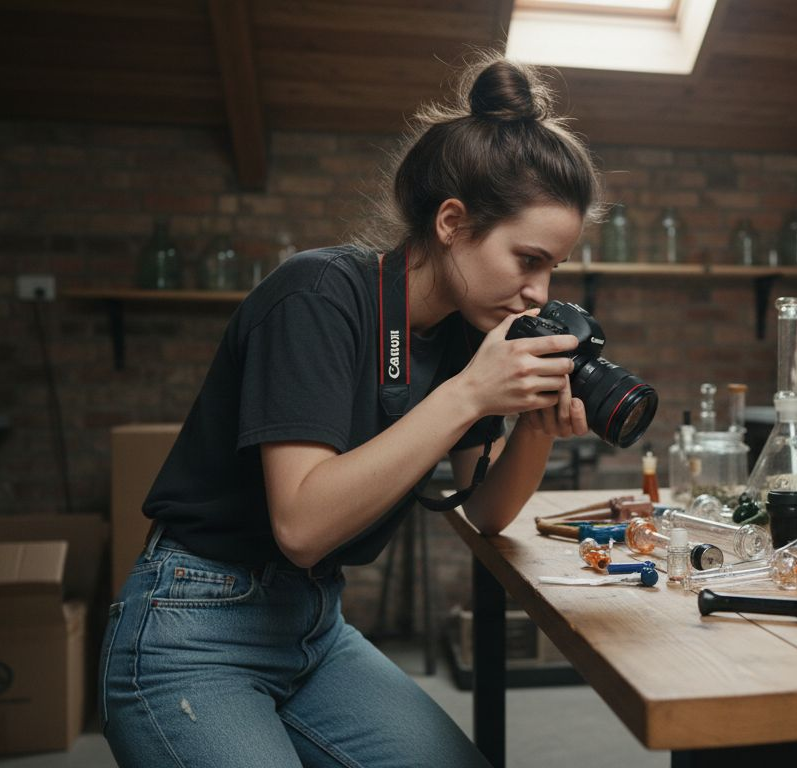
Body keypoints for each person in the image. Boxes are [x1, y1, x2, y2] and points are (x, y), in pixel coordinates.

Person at [100, 55, 601, 767]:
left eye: (553, 267)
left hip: (315, 626)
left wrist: (534, 432)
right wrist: (467, 395)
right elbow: (302, 525)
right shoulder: (319, 296)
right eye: (528, 259)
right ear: (453, 222)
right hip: (194, 627)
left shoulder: (467, 337)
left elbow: (485, 514)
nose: (537, 291)